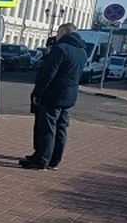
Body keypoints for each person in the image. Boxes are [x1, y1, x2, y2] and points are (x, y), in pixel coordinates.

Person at [20, 23, 86, 170]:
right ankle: (54, 160)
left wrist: (38, 92)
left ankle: (41, 160)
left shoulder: (60, 49)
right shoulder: (81, 51)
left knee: (47, 128)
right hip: (70, 95)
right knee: (61, 127)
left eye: (57, 33)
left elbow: (48, 74)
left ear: (63, 32)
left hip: (53, 94)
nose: (56, 35)